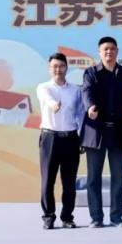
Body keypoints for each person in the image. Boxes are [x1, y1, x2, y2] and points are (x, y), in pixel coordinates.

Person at [80, 36, 122, 228]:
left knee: (119, 177)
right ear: (99, 52)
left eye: (112, 49)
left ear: (117, 52)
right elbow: (86, 92)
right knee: (93, 178)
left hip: (119, 131)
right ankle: (96, 217)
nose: (109, 52)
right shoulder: (91, 73)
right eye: (105, 49)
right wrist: (91, 107)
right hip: (95, 131)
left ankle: (116, 216)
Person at [35, 52, 85, 229]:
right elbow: (48, 100)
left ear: (66, 68)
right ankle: (48, 216)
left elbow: (80, 113)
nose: (58, 69)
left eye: (61, 66)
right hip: (50, 138)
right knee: (48, 180)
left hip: (70, 138)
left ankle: (67, 217)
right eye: (55, 66)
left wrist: (81, 136)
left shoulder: (75, 90)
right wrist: (53, 105)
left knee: (69, 182)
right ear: (49, 69)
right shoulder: (43, 87)